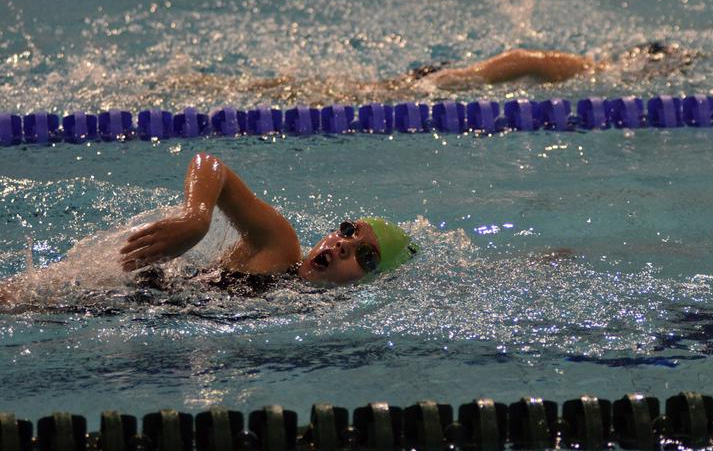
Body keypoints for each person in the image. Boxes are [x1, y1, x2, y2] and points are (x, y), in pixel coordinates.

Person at [0, 152, 418, 306]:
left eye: (365, 256)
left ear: (372, 282)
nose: (343, 245)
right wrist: (196, 217)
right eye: (348, 231)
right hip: (117, 288)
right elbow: (210, 164)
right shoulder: (280, 247)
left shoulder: (311, 309)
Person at [165, 42, 694, 103]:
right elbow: (521, 57)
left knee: (344, 94)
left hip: (448, 78)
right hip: (446, 79)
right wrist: (465, 78)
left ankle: (210, 86)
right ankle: (206, 87)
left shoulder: (591, 73)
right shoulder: (582, 67)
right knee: (340, 96)